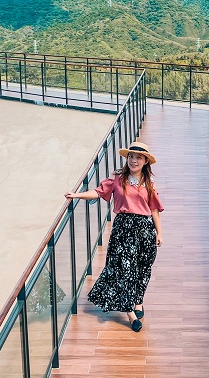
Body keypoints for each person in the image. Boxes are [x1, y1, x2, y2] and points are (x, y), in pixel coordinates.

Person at [65, 141, 163, 332]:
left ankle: (137, 301)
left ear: (145, 162)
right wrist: (76, 195)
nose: (133, 160)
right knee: (126, 270)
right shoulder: (118, 179)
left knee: (143, 268)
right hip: (123, 229)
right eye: (131, 157)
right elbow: (98, 192)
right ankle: (130, 313)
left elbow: (154, 209)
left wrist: (159, 232)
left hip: (144, 230)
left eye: (138, 157)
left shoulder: (149, 183)